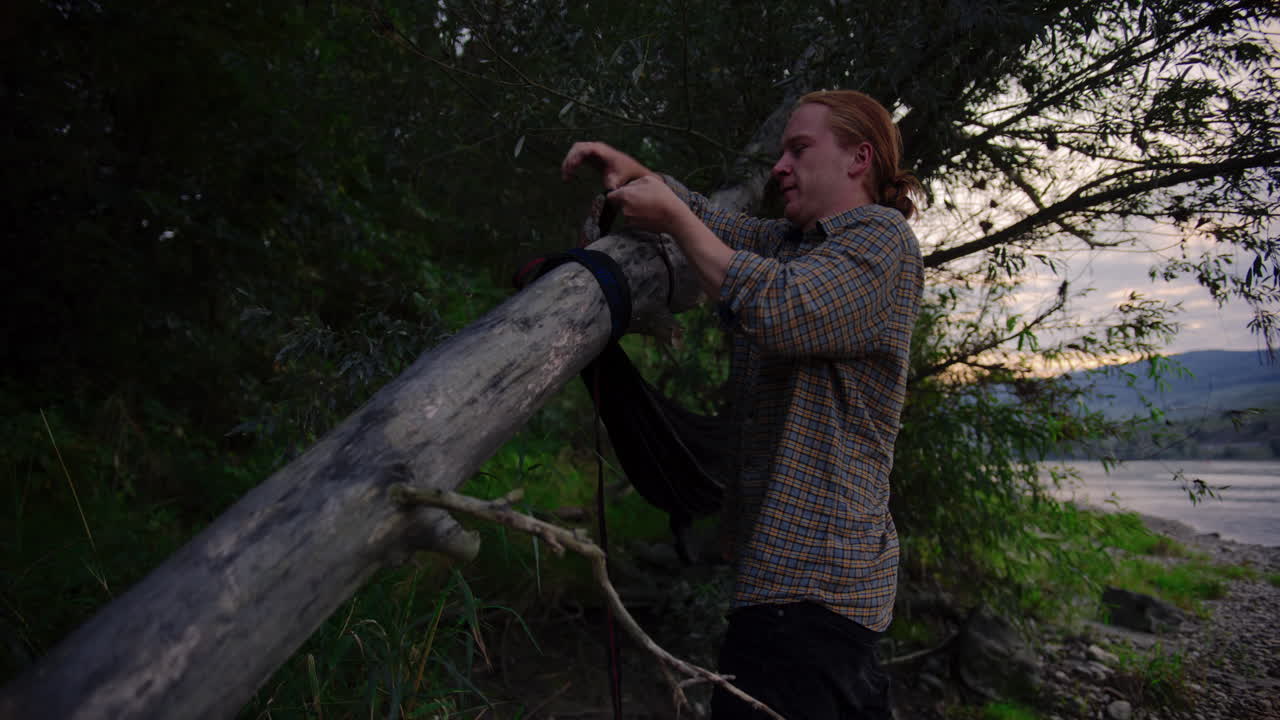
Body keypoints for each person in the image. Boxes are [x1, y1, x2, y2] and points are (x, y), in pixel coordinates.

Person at [561, 90, 923, 720]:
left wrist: (674, 219)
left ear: (859, 158)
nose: (780, 165)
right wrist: (634, 171)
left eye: (800, 148)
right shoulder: (789, 243)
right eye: (782, 149)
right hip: (787, 591)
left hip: (817, 593)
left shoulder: (882, 241)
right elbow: (706, 217)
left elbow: (784, 309)